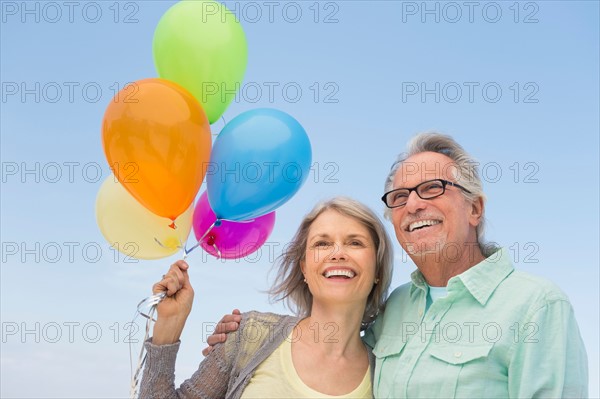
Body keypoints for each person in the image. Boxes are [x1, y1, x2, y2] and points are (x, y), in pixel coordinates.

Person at [208, 132, 589, 398]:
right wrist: (249, 335)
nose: (413, 205)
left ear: (475, 208)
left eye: (432, 188)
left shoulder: (537, 307)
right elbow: (329, 342)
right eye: (400, 196)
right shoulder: (395, 308)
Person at [139, 197, 394, 398]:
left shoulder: (386, 374)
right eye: (322, 244)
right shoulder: (251, 334)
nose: (337, 253)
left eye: (355, 243)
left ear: (377, 271)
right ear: (304, 268)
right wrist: (168, 329)